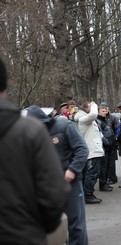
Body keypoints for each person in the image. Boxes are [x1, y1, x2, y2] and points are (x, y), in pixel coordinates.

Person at [0, 58, 70, 244]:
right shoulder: (30, 131)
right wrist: (39, 227)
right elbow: (54, 192)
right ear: (4, 88)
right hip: (23, 235)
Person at [26, 105, 89, 245]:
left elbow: (82, 149)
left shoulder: (64, 126)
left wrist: (72, 169)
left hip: (70, 184)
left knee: (76, 225)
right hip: (48, 188)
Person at [75, 101, 105, 204]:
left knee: (91, 173)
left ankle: (87, 193)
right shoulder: (83, 119)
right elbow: (93, 114)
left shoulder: (86, 119)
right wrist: (94, 105)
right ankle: (88, 195)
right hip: (92, 150)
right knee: (92, 174)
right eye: (90, 107)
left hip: (95, 149)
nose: (93, 108)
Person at [96, 105, 115, 192]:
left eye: (106, 110)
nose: (105, 112)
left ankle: (105, 182)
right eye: (103, 111)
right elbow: (100, 134)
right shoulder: (98, 121)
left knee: (107, 166)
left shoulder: (105, 120)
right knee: (103, 167)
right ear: (98, 111)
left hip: (109, 147)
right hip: (104, 147)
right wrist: (106, 142)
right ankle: (102, 184)